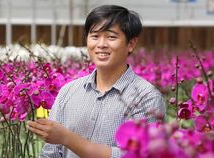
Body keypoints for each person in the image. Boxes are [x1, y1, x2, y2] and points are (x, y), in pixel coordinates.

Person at [27, 4, 166, 158]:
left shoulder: (146, 97)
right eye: (95, 36)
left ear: (131, 44)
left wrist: (67, 138)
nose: (101, 44)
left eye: (111, 37)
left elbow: (140, 155)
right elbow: (50, 153)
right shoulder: (68, 92)